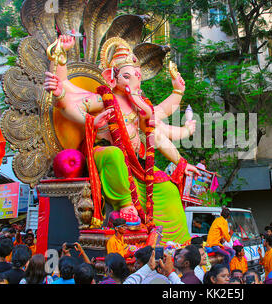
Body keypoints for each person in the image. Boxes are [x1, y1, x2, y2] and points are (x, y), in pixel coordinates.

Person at [44, 33, 199, 244]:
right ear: (112, 77)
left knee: (169, 188)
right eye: (127, 77)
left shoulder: (139, 108)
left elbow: (160, 135)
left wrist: (182, 162)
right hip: (107, 159)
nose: (133, 82)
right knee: (115, 155)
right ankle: (125, 205)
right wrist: (91, 119)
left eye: (137, 76)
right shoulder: (103, 100)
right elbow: (70, 106)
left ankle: (177, 244)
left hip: (135, 167)